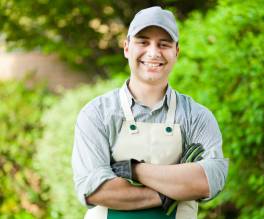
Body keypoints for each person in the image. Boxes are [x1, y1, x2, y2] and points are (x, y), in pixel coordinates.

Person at [72, 6, 228, 219]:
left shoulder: (197, 117)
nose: (153, 52)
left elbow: (210, 180)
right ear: (127, 48)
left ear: (176, 52)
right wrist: (174, 191)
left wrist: (134, 170)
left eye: (164, 44)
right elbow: (95, 189)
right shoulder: (97, 114)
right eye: (143, 42)